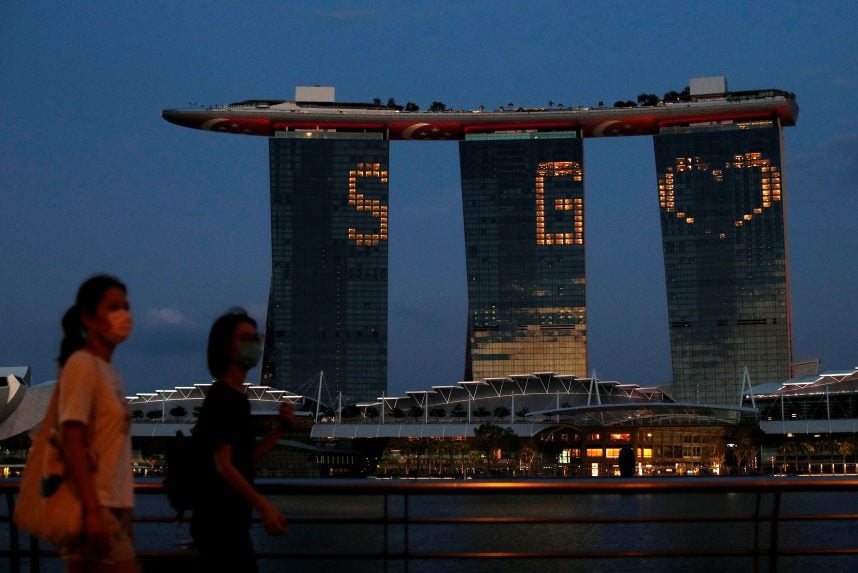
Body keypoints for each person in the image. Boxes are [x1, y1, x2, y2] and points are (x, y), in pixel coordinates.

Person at [191, 308, 294, 572]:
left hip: (231, 524)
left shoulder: (236, 397)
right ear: (226, 348)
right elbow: (223, 465)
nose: (254, 344)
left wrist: (279, 431)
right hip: (220, 525)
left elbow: (242, 459)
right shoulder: (223, 397)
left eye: (254, 337)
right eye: (245, 338)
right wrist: (264, 506)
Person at [56, 274, 137, 572]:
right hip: (94, 509)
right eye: (113, 307)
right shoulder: (82, 364)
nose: (124, 315)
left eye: (126, 307)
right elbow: (72, 439)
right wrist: (93, 512)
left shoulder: (108, 372)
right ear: (88, 317)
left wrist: (125, 514)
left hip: (111, 509)